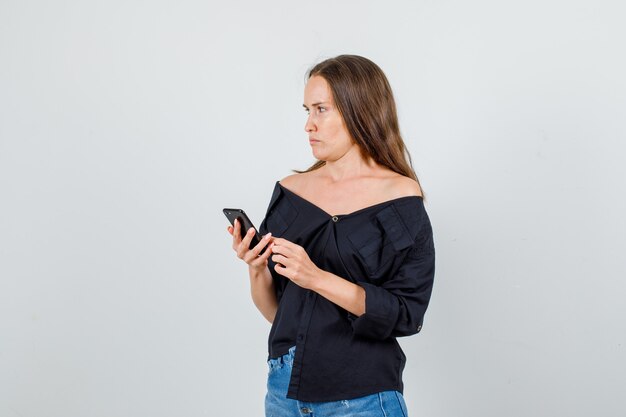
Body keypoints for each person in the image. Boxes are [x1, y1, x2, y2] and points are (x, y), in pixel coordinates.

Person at [227, 54, 435, 417]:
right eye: (307, 110)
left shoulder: (401, 198)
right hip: (284, 392)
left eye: (321, 109)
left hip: (361, 396)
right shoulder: (291, 191)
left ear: (359, 110)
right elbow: (277, 313)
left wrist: (317, 277)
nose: (309, 125)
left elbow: (406, 315)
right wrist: (256, 267)